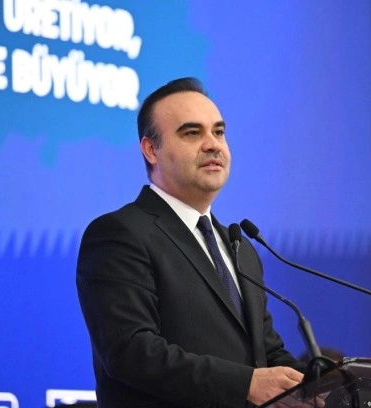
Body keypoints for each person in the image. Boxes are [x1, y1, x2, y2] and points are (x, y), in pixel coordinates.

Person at [76, 77, 306, 408]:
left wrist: (323, 385)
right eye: (192, 133)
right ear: (151, 150)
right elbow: (131, 352)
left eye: (219, 132)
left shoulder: (240, 248)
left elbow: (266, 353)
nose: (213, 144)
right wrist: (245, 384)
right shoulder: (119, 235)